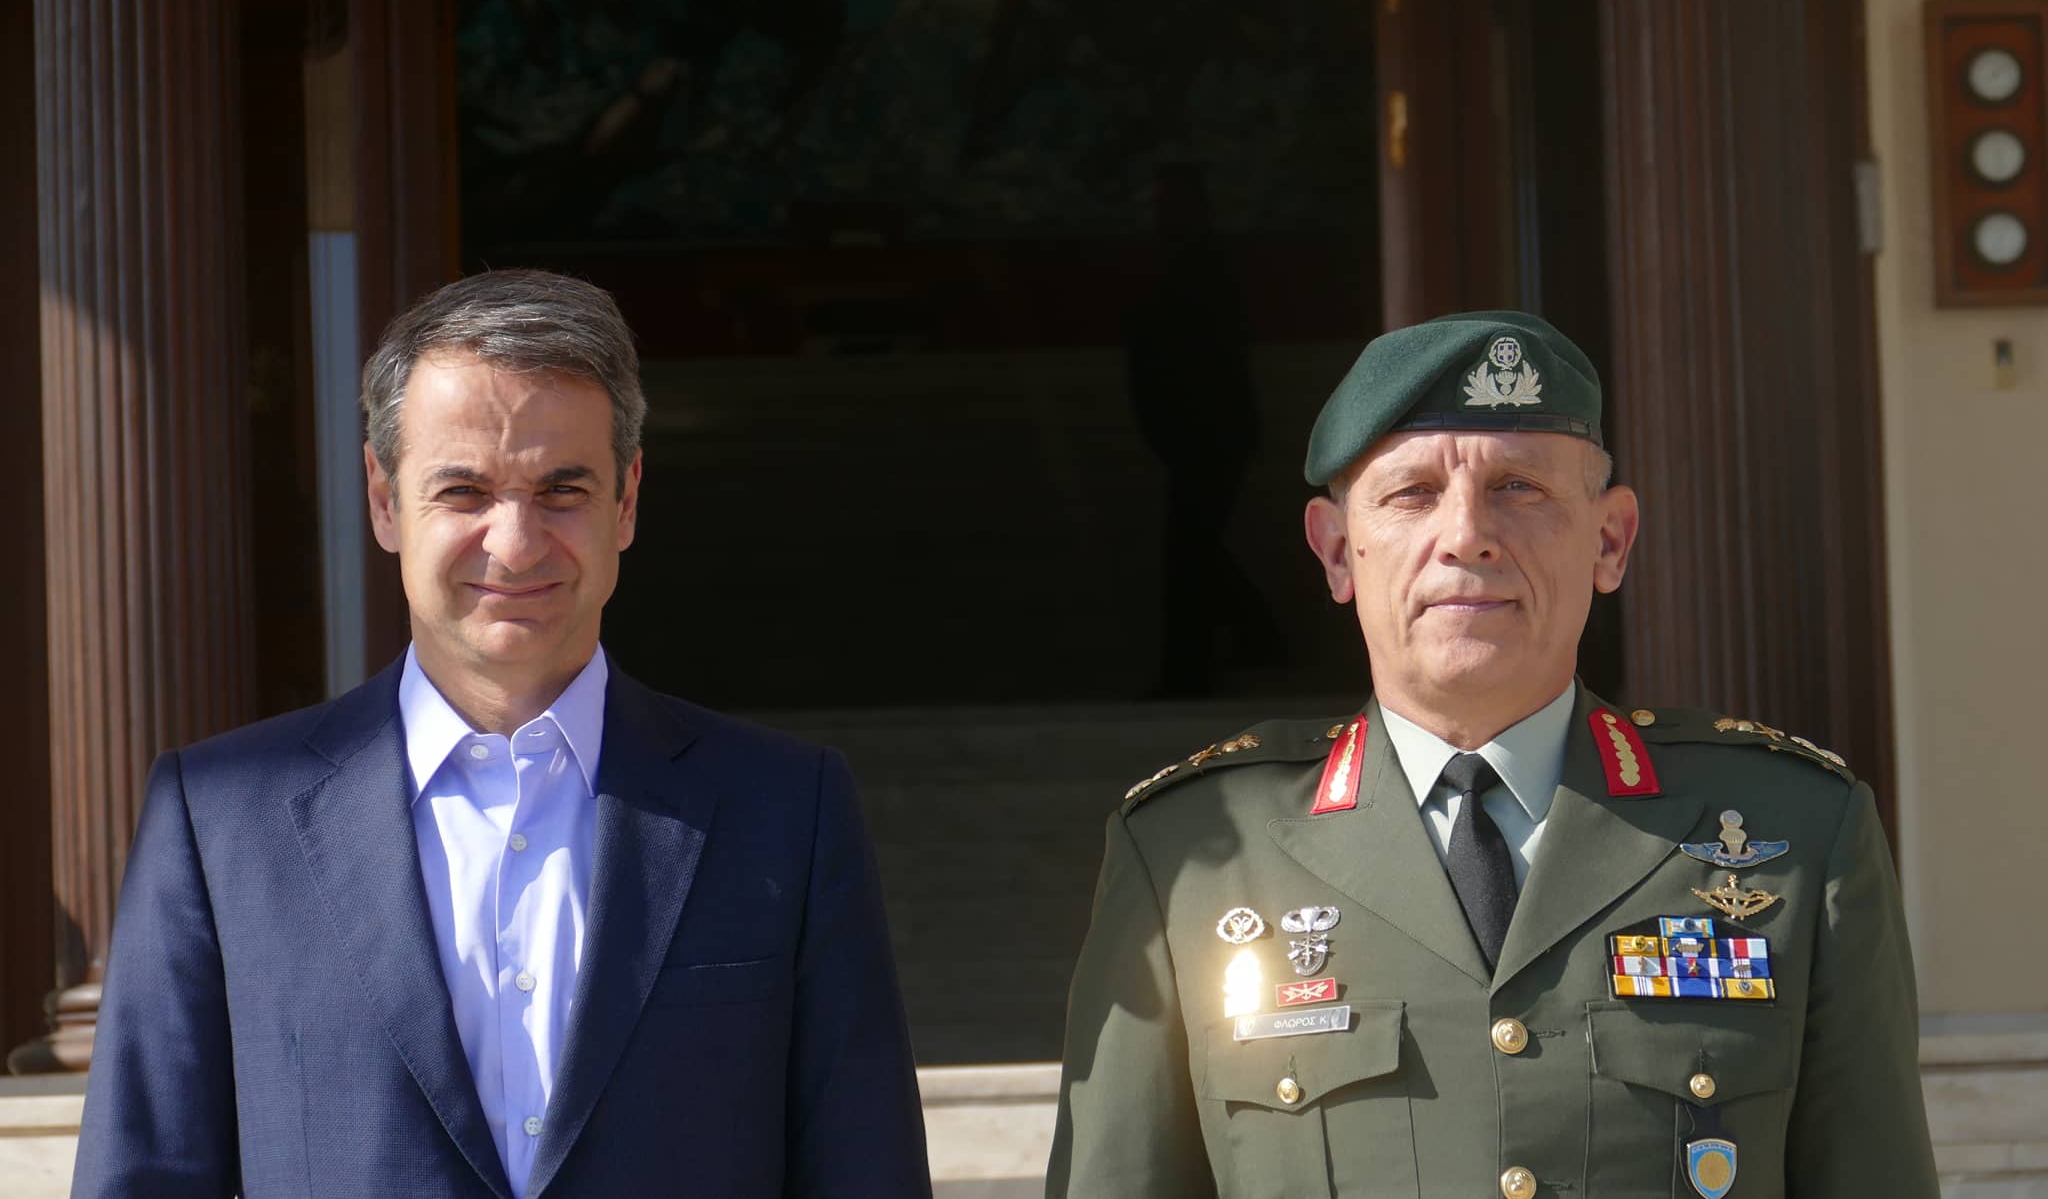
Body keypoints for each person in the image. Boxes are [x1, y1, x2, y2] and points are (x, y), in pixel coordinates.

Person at [73, 270, 932, 1199]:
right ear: (384, 499)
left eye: (563, 488)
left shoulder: (788, 812)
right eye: (464, 489)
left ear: (627, 500)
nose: (515, 543)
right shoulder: (219, 823)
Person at [1046, 311, 1936, 1199]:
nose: (1466, 533)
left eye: (1519, 486)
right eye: (1412, 493)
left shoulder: (1797, 834)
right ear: (1336, 551)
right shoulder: (1188, 860)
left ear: (1610, 540)